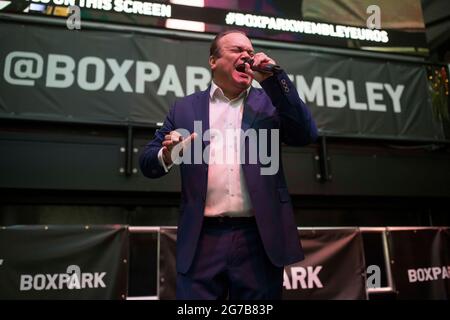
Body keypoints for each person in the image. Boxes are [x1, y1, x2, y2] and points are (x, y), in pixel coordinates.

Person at [139, 30, 318, 299]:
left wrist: (274, 79)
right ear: (213, 61)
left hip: (258, 239)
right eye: (237, 50)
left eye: (250, 50)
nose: (247, 55)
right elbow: (147, 161)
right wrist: (168, 155)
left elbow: (305, 134)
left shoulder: (270, 104)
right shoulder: (185, 108)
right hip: (202, 238)